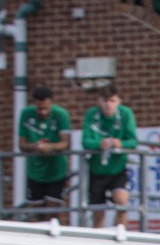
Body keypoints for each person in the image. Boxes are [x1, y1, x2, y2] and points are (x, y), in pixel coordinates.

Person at [82, 87, 138, 227]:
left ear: (119, 101)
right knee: (98, 213)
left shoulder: (125, 114)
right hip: (97, 169)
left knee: (122, 203)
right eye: (105, 100)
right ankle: (99, 242)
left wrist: (120, 143)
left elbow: (133, 142)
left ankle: (120, 234)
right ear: (98, 101)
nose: (108, 105)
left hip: (117, 169)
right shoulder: (91, 114)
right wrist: (99, 143)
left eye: (112, 101)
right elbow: (85, 141)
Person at [18, 86, 71, 224]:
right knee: (36, 216)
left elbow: (65, 143)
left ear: (51, 103)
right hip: (34, 171)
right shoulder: (26, 113)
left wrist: (51, 147)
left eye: (46, 109)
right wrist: (35, 146)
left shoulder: (61, 114)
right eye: (39, 109)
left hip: (56, 171)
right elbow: (22, 145)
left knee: (52, 215)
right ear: (34, 103)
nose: (42, 112)